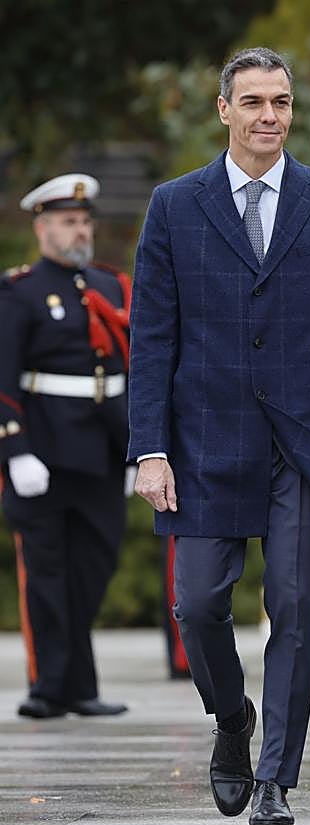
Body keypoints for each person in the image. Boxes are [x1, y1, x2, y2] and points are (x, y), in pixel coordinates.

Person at [128, 47, 310, 825]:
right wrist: (150, 448)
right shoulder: (175, 205)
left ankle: (275, 779)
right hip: (203, 438)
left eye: (282, 101)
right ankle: (233, 721)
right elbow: (152, 337)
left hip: (306, 444)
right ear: (224, 109)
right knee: (198, 605)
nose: (269, 116)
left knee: (296, 607)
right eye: (255, 102)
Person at [0, 173, 130, 720]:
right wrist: (15, 448)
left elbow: (132, 369)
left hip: (103, 450)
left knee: (94, 568)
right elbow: (3, 376)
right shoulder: (20, 290)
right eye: (68, 222)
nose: (80, 231)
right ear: (42, 228)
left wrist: (139, 448)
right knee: (48, 574)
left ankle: (78, 684)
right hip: (46, 452)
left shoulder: (110, 286)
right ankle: (51, 687)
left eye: (84, 221)